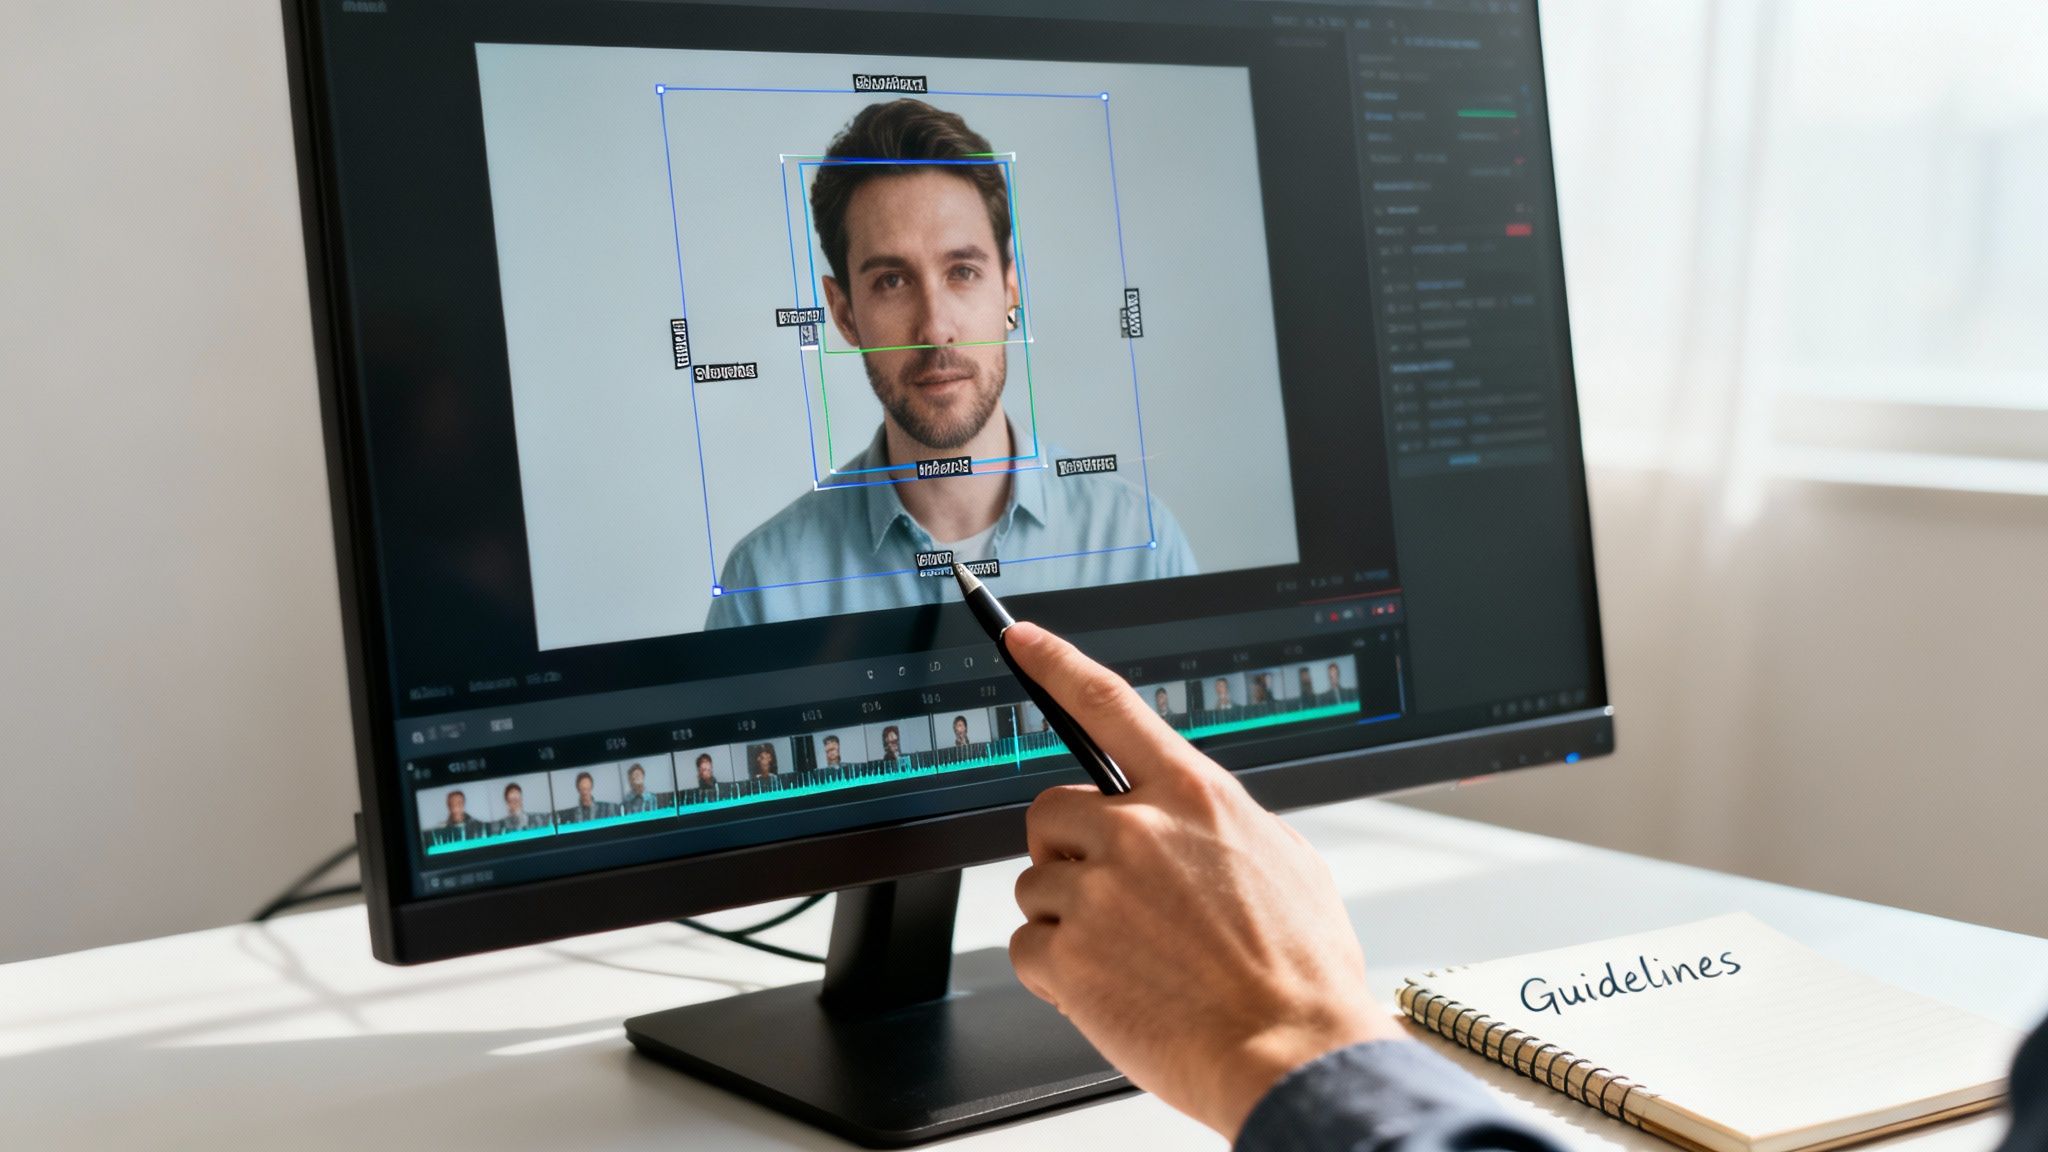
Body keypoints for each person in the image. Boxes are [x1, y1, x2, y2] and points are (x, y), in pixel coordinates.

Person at [705, 99, 1195, 630]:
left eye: (962, 271)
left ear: (1010, 291)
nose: (936, 327)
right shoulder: (763, 590)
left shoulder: (1141, 547)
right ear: (845, 315)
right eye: (892, 281)